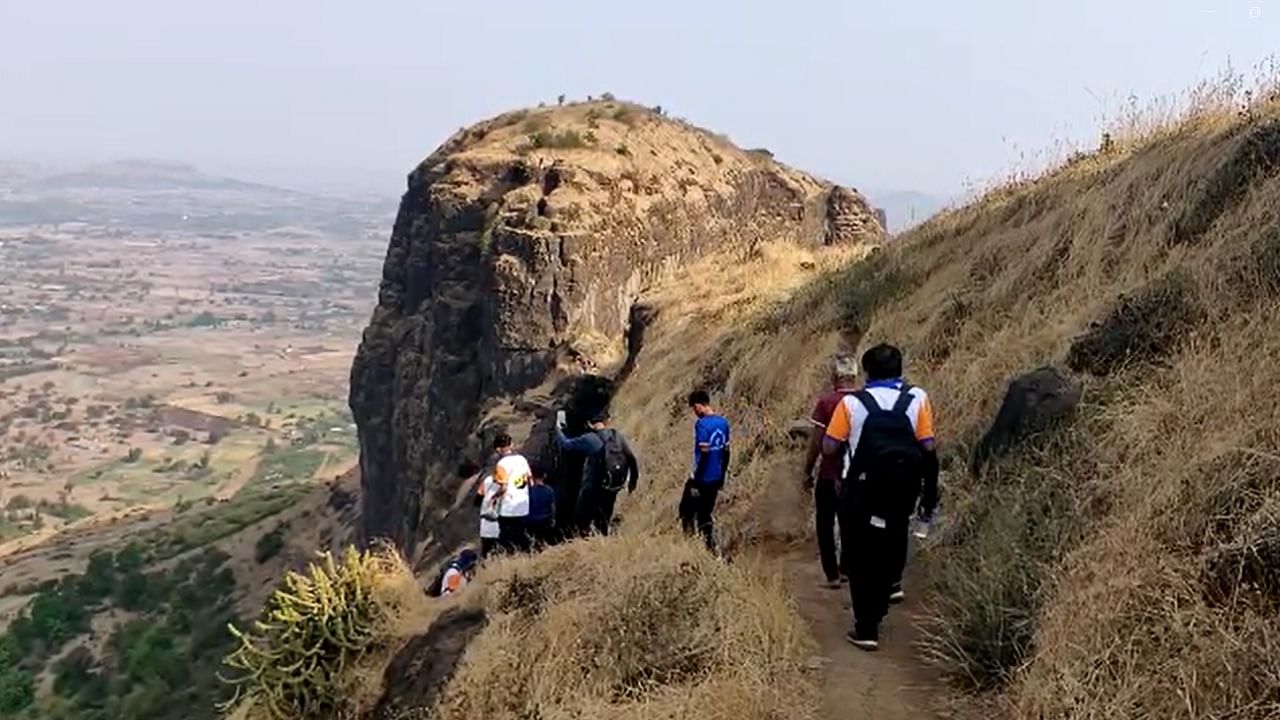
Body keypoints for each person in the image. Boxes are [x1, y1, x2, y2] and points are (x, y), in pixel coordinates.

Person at [823, 343, 939, 652]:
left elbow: (829, 447)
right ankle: (891, 585)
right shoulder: (918, 398)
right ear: (900, 370)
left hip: (859, 489)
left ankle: (867, 628)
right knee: (894, 535)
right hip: (901, 488)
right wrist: (928, 493)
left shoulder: (851, 403)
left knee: (860, 557)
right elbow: (927, 446)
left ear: (867, 373)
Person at [803, 354, 860, 589]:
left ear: (835, 376)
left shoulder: (826, 402)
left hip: (829, 472)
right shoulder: (867, 401)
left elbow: (817, 442)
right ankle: (847, 568)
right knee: (852, 522)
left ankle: (832, 574)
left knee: (825, 523)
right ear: (855, 377)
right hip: (857, 474)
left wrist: (807, 470)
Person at [554, 409, 639, 537]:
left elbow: (566, 445)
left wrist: (558, 429)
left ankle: (586, 541)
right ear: (606, 421)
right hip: (613, 484)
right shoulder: (617, 436)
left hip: (593, 486)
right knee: (605, 514)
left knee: (581, 515)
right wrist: (633, 482)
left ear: (589, 424)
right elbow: (631, 458)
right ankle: (603, 536)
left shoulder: (589, 439)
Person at [680, 390, 731, 551]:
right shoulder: (723, 422)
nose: (694, 413)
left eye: (694, 409)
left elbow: (704, 452)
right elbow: (726, 452)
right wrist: (722, 475)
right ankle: (709, 547)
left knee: (686, 510)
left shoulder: (702, 424)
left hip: (703, 478)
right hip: (716, 478)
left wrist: (695, 479)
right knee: (705, 513)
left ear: (698, 405)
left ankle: (695, 547)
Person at [490, 432, 533, 554]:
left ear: (498, 449)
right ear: (511, 444)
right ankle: (527, 554)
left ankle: (509, 557)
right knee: (521, 534)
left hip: (508, 507)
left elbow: (503, 487)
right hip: (523, 504)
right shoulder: (522, 459)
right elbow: (530, 479)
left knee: (506, 537)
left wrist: (494, 497)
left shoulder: (501, 464)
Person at [527, 469, 558, 547]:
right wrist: (553, 518)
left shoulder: (529, 490)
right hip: (545, 520)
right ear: (544, 476)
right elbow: (552, 506)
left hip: (530, 520)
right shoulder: (549, 490)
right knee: (543, 542)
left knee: (531, 542)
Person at [475, 473, 502, 558]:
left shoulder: (488, 480)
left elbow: (477, 500)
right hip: (501, 526)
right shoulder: (511, 483)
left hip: (486, 526)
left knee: (486, 554)